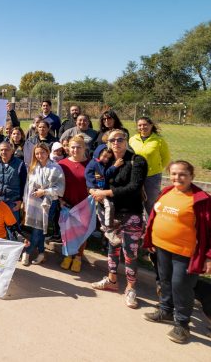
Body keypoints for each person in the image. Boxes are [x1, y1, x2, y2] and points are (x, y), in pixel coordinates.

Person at [142, 160, 211, 343]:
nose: (177, 178)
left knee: (181, 286)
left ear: (192, 176)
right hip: (162, 247)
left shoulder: (202, 200)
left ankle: (182, 325)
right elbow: (155, 216)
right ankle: (165, 311)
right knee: (165, 281)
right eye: (174, 174)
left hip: (186, 253)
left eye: (182, 174)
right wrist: (150, 238)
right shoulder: (166, 192)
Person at [89, 128, 148, 309]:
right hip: (110, 214)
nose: (116, 143)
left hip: (130, 213)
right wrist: (93, 190)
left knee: (130, 254)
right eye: (112, 140)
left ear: (127, 141)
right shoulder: (108, 162)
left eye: (120, 139)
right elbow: (96, 179)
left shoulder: (137, 161)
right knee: (112, 248)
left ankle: (131, 287)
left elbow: (134, 188)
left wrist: (105, 192)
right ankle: (112, 280)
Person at [22, 143, 65, 266]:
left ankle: (28, 252)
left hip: (49, 203)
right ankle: (41, 253)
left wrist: (44, 191)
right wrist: (25, 201)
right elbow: (27, 186)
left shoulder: (55, 168)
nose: (40, 155)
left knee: (39, 229)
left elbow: (60, 188)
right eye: (37, 153)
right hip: (34, 202)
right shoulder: (33, 167)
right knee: (38, 229)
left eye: (42, 152)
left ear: (47, 152)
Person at [57, 135, 90, 273]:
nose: (75, 150)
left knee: (82, 233)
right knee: (67, 232)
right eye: (73, 147)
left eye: (79, 147)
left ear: (84, 148)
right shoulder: (62, 164)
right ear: (68, 148)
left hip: (84, 204)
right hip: (67, 204)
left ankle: (78, 257)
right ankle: (68, 255)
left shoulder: (91, 164)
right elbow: (56, 184)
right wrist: (60, 200)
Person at [129, 117, 171, 218]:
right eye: (140, 125)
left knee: (151, 203)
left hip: (152, 176)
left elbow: (166, 158)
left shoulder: (159, 140)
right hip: (135, 176)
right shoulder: (132, 139)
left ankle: (151, 225)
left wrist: (156, 168)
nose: (142, 127)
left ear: (151, 125)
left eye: (145, 125)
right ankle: (137, 226)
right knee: (135, 201)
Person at [0, 141, 27, 234]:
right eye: (1, 150)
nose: (4, 152)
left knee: (13, 232)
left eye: (7, 149)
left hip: (13, 202)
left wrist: (20, 200)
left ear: (12, 151)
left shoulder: (20, 164)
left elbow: (24, 184)